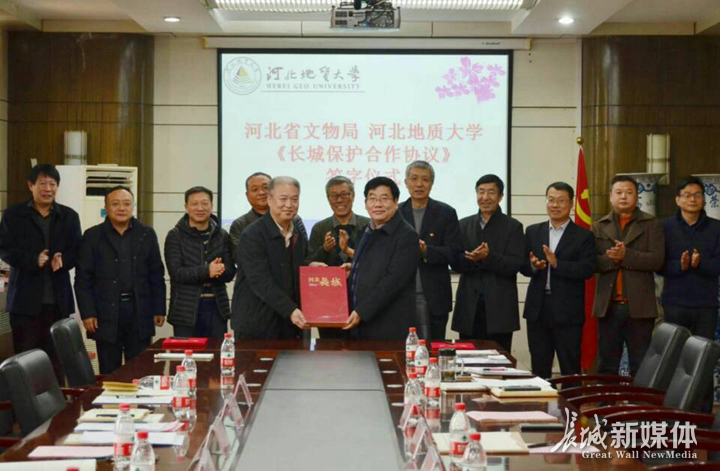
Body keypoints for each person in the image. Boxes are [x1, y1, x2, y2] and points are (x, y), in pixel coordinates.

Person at [0, 164, 81, 382]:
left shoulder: (69, 216)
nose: (48, 189)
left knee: (57, 358)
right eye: (42, 183)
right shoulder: (13, 215)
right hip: (24, 303)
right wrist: (32, 260)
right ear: (31, 185)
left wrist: (63, 261)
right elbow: (5, 249)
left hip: (58, 302)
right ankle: (26, 403)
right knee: (26, 360)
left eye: (52, 184)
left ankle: (58, 402)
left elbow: (77, 251)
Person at [74, 186, 166, 374]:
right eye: (115, 204)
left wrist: (159, 308)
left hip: (139, 310)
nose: (121, 208)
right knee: (110, 371)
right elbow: (83, 279)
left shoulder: (146, 234)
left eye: (126, 203)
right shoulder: (92, 236)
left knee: (140, 370)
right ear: (106, 208)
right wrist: (87, 313)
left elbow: (156, 274)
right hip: (105, 313)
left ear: (133, 207)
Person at [520, 182, 596, 382]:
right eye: (551, 200)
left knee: (570, 367)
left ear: (571, 203)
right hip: (538, 309)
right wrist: (534, 266)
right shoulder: (533, 231)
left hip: (567, 311)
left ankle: (571, 403)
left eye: (561, 201)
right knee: (539, 366)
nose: (555, 205)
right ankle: (542, 402)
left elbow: (587, 269)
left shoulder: (584, 236)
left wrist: (557, 264)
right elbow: (523, 266)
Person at [592, 175, 664, 377]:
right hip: (608, 306)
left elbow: (657, 260)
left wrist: (627, 256)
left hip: (639, 307)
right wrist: (613, 259)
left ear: (637, 196)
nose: (623, 196)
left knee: (641, 365)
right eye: (619, 192)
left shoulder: (651, 224)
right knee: (606, 364)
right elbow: (592, 263)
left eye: (629, 192)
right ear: (610, 196)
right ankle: (606, 398)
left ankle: (639, 399)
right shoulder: (599, 226)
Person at [659, 176, 720, 412]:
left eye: (697, 195)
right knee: (674, 358)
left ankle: (702, 412)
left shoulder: (716, 228)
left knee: (704, 359)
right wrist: (680, 265)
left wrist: (699, 263)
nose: (692, 199)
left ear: (703, 199)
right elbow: (659, 264)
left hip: (705, 305)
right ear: (677, 200)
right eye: (686, 195)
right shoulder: (664, 227)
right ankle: (675, 411)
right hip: (675, 302)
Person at [231, 177, 320, 340]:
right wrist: (290, 310)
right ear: (270, 200)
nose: (289, 204)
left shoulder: (297, 232)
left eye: (295, 199)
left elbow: (295, 265)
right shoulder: (253, 234)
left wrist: (311, 267)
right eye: (283, 199)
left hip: (289, 323)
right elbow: (259, 280)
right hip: (257, 323)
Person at [451, 174, 524, 352]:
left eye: (491, 192)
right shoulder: (463, 225)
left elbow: (515, 264)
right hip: (469, 307)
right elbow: (455, 262)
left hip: (499, 308)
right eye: (481, 192)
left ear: (500, 196)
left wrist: (488, 257)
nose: (485, 197)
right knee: (467, 359)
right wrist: (471, 258)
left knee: (499, 360)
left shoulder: (513, 226)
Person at [345, 177, 420, 340]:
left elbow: (393, 282)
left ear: (396, 202)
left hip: (388, 327)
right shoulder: (366, 230)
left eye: (384, 198)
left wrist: (362, 312)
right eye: (372, 198)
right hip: (362, 324)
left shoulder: (407, 236)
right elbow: (374, 266)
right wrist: (354, 269)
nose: (377, 204)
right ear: (365, 203)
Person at [399, 161, 462, 340]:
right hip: (402, 296)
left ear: (432, 183)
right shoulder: (396, 213)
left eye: (425, 179)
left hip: (435, 296)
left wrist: (427, 251)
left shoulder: (446, 213)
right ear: (406, 182)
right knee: (403, 348)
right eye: (414, 179)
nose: (419, 184)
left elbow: (455, 252)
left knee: (434, 347)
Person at [165, 186, 236, 339]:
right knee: (187, 353)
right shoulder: (175, 235)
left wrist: (220, 269)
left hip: (217, 308)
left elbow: (231, 271)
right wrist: (207, 271)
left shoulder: (222, 235)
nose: (200, 208)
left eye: (204, 203)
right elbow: (176, 273)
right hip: (185, 310)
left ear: (212, 206)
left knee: (217, 352)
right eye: (194, 204)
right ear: (186, 207)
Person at [307, 176, 370, 339]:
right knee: (330, 348)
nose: (339, 200)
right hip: (328, 302)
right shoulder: (320, 228)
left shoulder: (368, 225)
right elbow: (308, 263)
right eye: (334, 196)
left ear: (353, 196)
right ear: (328, 199)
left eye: (344, 194)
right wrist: (324, 249)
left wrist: (348, 251)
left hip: (362, 299)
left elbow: (375, 261)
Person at [229, 172, 307, 259]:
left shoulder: (294, 219)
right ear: (247, 196)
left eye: (266, 188)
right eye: (255, 189)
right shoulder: (240, 224)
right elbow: (240, 257)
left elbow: (304, 251)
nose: (261, 192)